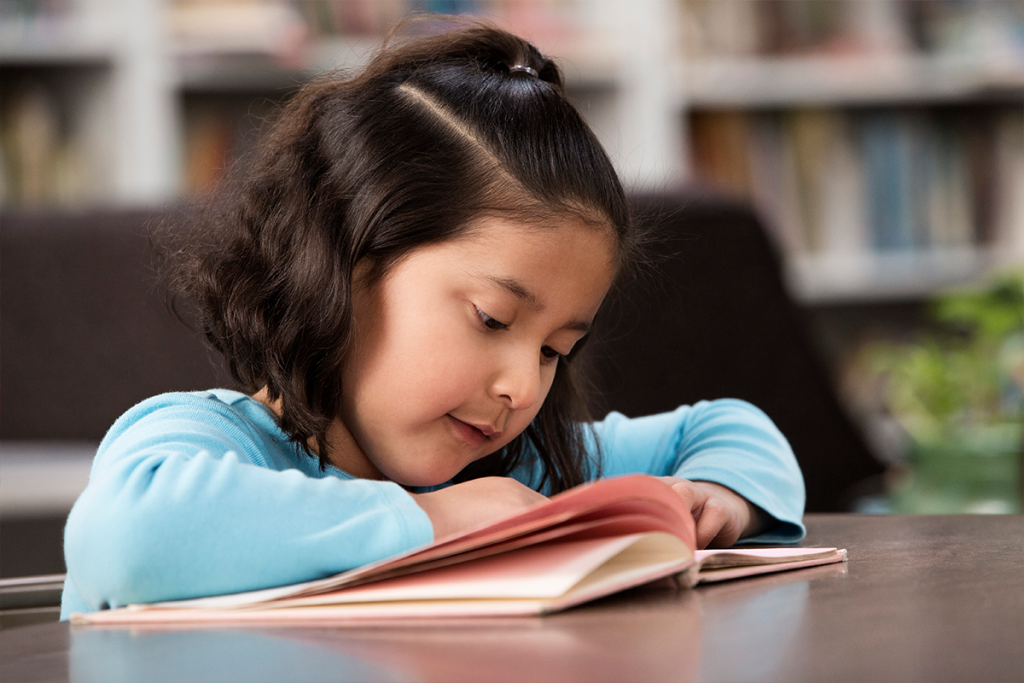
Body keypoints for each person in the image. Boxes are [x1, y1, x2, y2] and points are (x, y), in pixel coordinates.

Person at [60, 20, 805, 619]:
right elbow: (129, 538)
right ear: (345, 261)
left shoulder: (523, 472)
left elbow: (731, 430)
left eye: (554, 350)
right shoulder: (205, 447)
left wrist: (720, 495)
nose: (521, 384)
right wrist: (444, 522)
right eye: (490, 319)